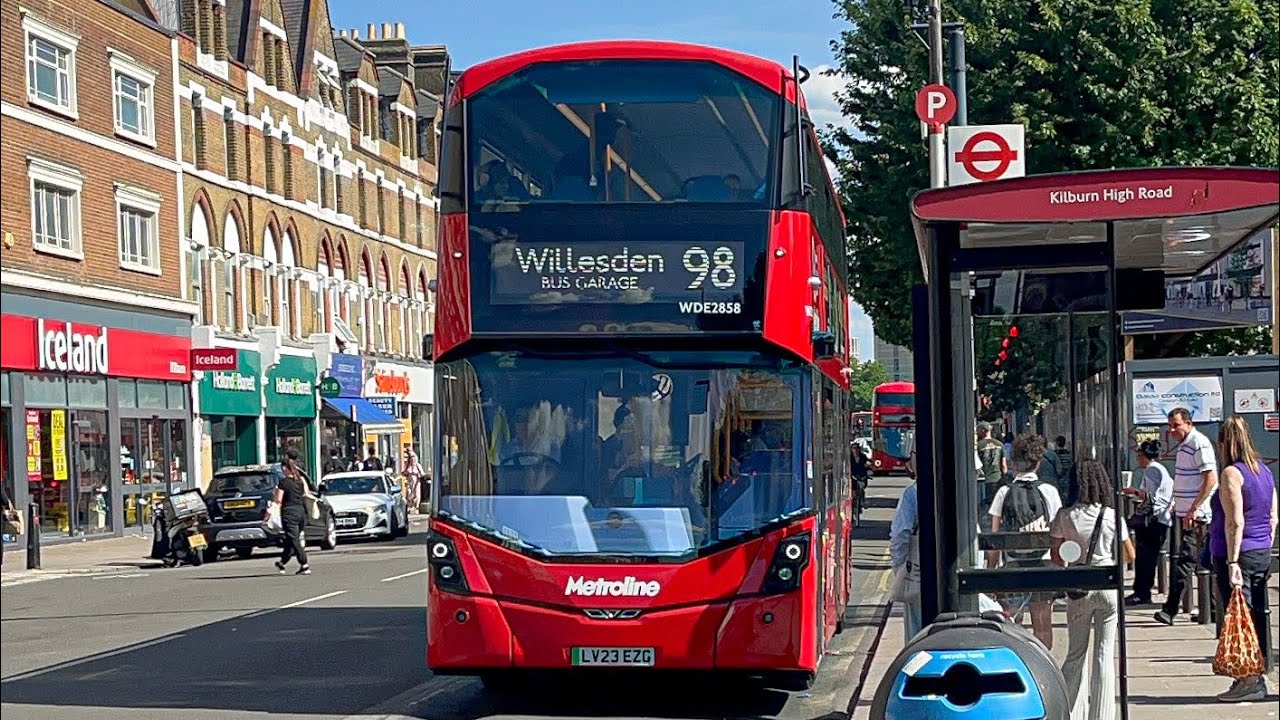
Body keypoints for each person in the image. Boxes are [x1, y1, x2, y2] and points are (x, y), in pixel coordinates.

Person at [1051, 460, 1135, 720]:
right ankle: (1103, 714)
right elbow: (1129, 554)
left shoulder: (1065, 516)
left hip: (1079, 588)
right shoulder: (1111, 515)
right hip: (1107, 587)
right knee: (1103, 654)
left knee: (1076, 652)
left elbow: (1056, 557)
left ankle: (1068, 710)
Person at [1207, 416, 1276, 702]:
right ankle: (1256, 673)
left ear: (1223, 442)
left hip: (1237, 554)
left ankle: (1249, 679)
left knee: (1237, 618)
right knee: (1257, 614)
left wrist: (1233, 561)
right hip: (1260, 552)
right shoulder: (1264, 472)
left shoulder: (1231, 474)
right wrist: (1265, 546)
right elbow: (1273, 517)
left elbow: (1235, 521)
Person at [988, 433, 1064, 650]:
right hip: (1042, 567)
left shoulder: (1003, 492)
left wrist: (991, 572)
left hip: (1012, 568)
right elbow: (1058, 533)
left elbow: (994, 538)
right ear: (1038, 463)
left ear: (1013, 464)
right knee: (1042, 626)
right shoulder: (1048, 491)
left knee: (1013, 627)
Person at [1155, 407, 1217, 626]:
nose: (1172, 430)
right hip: (1183, 513)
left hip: (1197, 516)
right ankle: (1210, 607)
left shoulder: (1198, 443)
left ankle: (1171, 608)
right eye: (1170, 425)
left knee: (1186, 561)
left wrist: (1194, 508)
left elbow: (1210, 478)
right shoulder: (1183, 446)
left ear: (1188, 424)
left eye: (1176, 425)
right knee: (1201, 562)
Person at [1120, 440, 1174, 606]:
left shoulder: (1151, 470)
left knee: (1145, 557)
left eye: (1139, 455)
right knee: (1149, 557)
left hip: (1153, 520)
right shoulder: (1161, 470)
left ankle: (1142, 591)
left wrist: (1134, 491)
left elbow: (1151, 497)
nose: (1138, 459)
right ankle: (1143, 590)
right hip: (1161, 518)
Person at [889, 450, 922, 641]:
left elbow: (900, 535)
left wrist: (900, 568)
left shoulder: (912, 494)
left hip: (918, 573)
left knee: (917, 631)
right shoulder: (957, 488)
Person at [273, 449, 311, 575]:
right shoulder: (300, 480)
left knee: (294, 539)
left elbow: (278, 500)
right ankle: (282, 563)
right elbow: (306, 493)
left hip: (289, 513)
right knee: (290, 540)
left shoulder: (283, 482)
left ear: (285, 468)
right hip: (301, 512)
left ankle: (304, 563)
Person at [977, 422, 1007, 506]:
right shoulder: (1000, 444)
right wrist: (1004, 477)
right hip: (998, 478)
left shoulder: (979, 445)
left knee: (986, 505)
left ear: (983, 430)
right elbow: (1004, 464)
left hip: (984, 480)